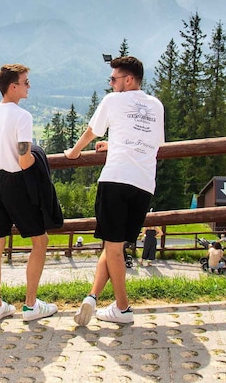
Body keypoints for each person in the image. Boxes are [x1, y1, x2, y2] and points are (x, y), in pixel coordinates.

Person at [65, 55, 164, 326]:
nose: (111, 84)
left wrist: (73, 153)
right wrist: (116, 144)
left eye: (114, 79)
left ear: (128, 80)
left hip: (116, 179)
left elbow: (91, 132)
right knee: (114, 246)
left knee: (114, 248)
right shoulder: (156, 105)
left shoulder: (112, 101)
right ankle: (93, 297)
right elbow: (152, 143)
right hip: (144, 184)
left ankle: (123, 308)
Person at [0, 63, 57, 322]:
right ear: (13, 87)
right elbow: (25, 160)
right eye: (25, 82)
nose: (28, 86)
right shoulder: (22, 116)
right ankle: (31, 305)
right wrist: (40, 157)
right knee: (40, 241)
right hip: (17, 183)